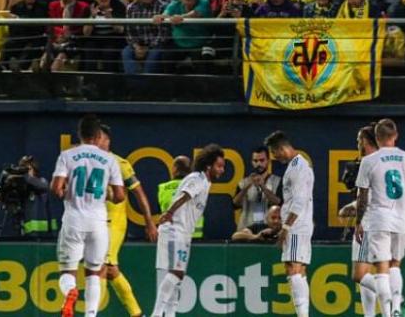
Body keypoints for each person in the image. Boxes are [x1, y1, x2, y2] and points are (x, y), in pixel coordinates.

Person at [50, 115, 125, 317]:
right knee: (94, 273)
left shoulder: (67, 155)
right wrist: (105, 193)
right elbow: (119, 196)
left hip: (74, 219)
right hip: (98, 222)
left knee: (67, 272)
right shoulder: (110, 159)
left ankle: (70, 292)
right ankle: (90, 315)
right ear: (98, 135)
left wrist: (67, 191)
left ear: (80, 134)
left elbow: (56, 189)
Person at [151, 144, 226, 317]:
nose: (222, 170)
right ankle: (157, 313)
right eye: (219, 166)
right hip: (174, 230)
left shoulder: (205, 182)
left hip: (183, 233)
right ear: (209, 166)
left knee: (177, 278)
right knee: (176, 273)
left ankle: (169, 314)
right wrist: (169, 212)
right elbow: (185, 195)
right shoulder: (197, 178)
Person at [97, 124, 158, 317]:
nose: (94, 141)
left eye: (98, 138)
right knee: (112, 270)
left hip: (114, 222)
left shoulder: (118, 163)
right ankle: (137, 314)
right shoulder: (89, 162)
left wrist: (149, 222)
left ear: (107, 141)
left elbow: (139, 193)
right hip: (96, 222)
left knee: (101, 267)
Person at [354, 118, 405, 317]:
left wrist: (359, 222)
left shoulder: (369, 161)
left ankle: (387, 314)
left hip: (379, 219)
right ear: (395, 136)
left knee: (381, 268)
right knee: (395, 264)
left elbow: (362, 198)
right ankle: (396, 308)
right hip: (402, 218)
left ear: (377, 138)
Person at [264, 131, 314, 317]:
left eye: (275, 153)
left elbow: (299, 201)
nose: (275, 157)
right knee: (298, 270)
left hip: (296, 226)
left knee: (293, 268)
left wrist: (286, 227)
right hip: (300, 225)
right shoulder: (296, 165)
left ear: (281, 148)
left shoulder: (298, 167)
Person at [338, 123, 379, 317]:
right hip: (390, 223)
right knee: (374, 272)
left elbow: (367, 197)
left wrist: (357, 217)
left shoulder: (368, 162)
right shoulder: (384, 161)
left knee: (359, 274)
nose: (357, 144)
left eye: (359, 140)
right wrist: (353, 206)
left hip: (369, 223)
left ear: (367, 141)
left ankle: (396, 299)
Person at [154, 0, 212, 68]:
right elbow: (166, 14)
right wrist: (159, 17)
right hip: (178, 44)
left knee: (202, 63)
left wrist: (181, 17)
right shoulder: (174, 4)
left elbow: (195, 14)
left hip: (199, 44)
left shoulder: (204, 2)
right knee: (166, 59)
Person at [42, 0, 91, 72]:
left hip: (72, 42)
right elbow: (50, 25)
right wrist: (61, 34)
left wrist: (68, 35)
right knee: (44, 61)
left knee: (57, 64)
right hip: (55, 40)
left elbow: (81, 30)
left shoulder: (83, 7)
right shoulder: (53, 5)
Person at [2, 0, 49, 72]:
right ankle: (3, 67)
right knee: (8, 44)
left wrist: (20, 20)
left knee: (30, 48)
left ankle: (18, 67)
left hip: (37, 38)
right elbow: (13, 31)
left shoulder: (44, 6)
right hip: (20, 37)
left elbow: (39, 27)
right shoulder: (15, 8)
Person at [82, 0, 127, 72]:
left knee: (109, 52)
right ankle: (90, 82)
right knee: (89, 50)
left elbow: (121, 30)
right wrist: (92, 17)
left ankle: (109, 83)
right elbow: (86, 33)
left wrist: (111, 19)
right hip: (95, 40)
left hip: (113, 39)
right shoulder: (89, 8)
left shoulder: (118, 6)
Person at [124, 0, 168, 74]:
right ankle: (134, 86)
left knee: (151, 61)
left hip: (156, 44)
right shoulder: (131, 8)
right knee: (126, 54)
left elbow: (163, 34)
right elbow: (129, 32)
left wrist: (148, 48)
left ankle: (145, 86)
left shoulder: (162, 6)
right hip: (137, 44)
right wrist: (136, 46)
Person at [234, 146, 282, 230]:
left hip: (269, 229)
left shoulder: (277, 181)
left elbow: (279, 203)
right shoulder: (243, 183)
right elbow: (235, 204)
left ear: (268, 161)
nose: (259, 164)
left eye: (262, 160)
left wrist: (263, 187)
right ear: (252, 162)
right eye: (255, 161)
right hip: (246, 229)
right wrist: (246, 187)